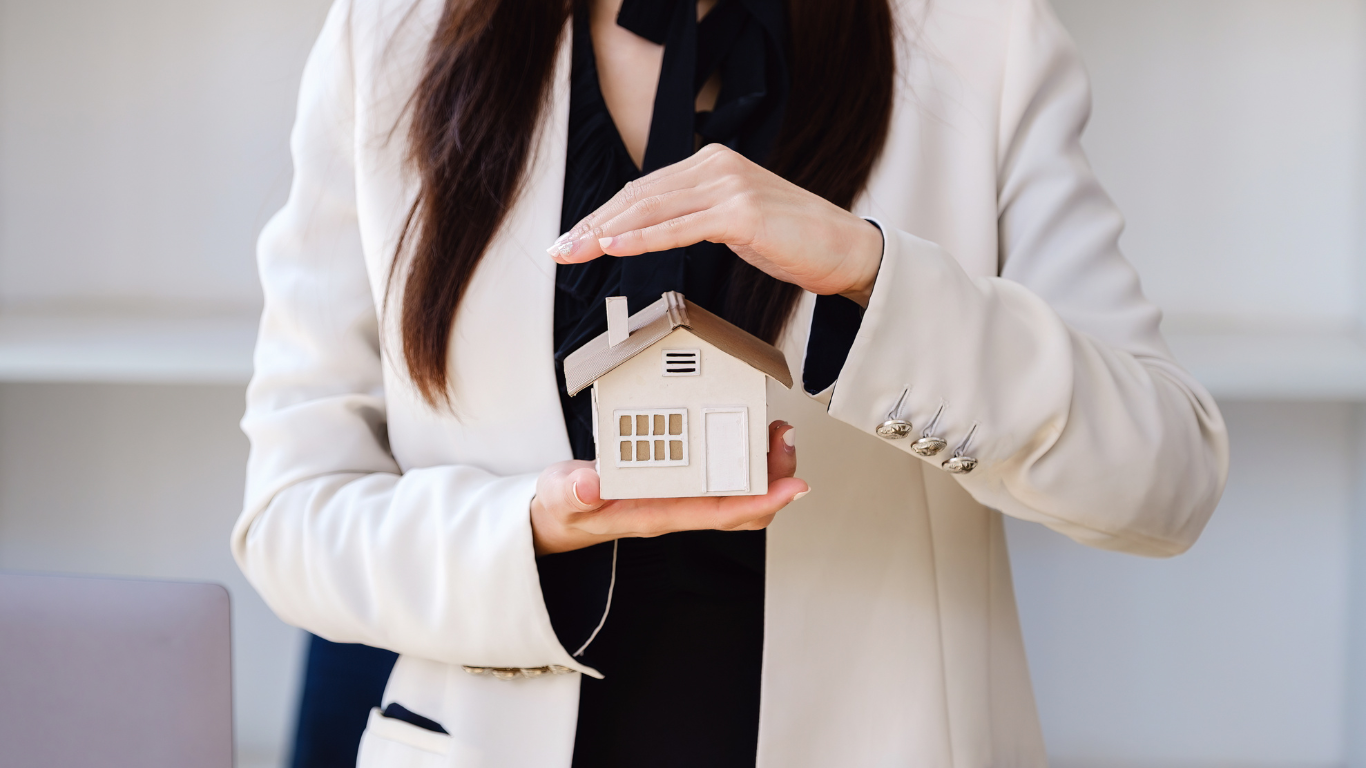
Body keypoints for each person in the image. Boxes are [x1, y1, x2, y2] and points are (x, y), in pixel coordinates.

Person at [233, 0, 1230, 764]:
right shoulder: (393, 34)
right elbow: (289, 518)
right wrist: (524, 530)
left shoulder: (978, 37)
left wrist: (872, 275)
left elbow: (1165, 479)